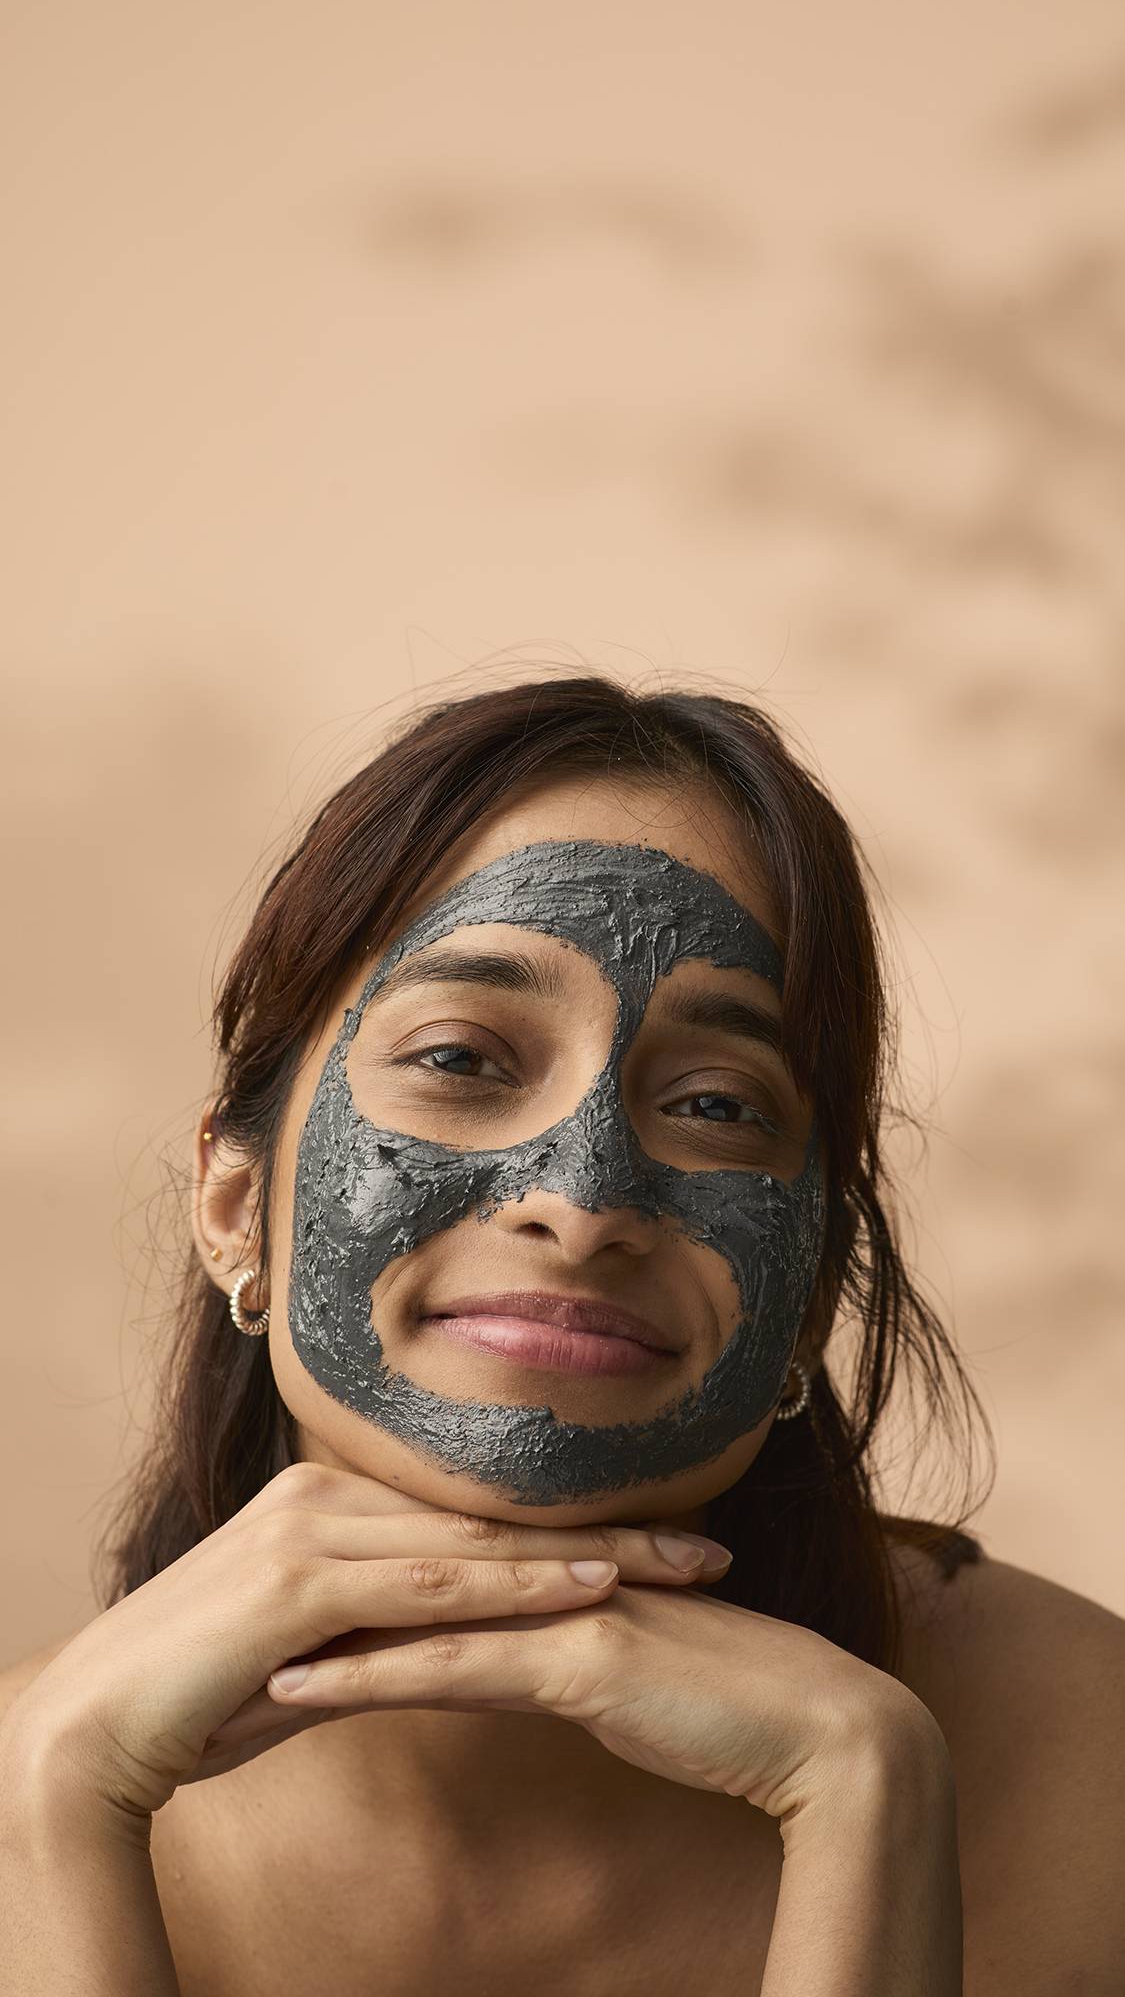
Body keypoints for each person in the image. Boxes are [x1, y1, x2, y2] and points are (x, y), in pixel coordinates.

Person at [1, 675, 1122, 1996]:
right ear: (237, 1206)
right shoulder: (40, 1773)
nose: (582, 1203)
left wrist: (864, 1792)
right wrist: (57, 1811)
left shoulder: (1090, 1763)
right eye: (461, 1059)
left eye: (715, 1102)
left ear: (813, 1285)